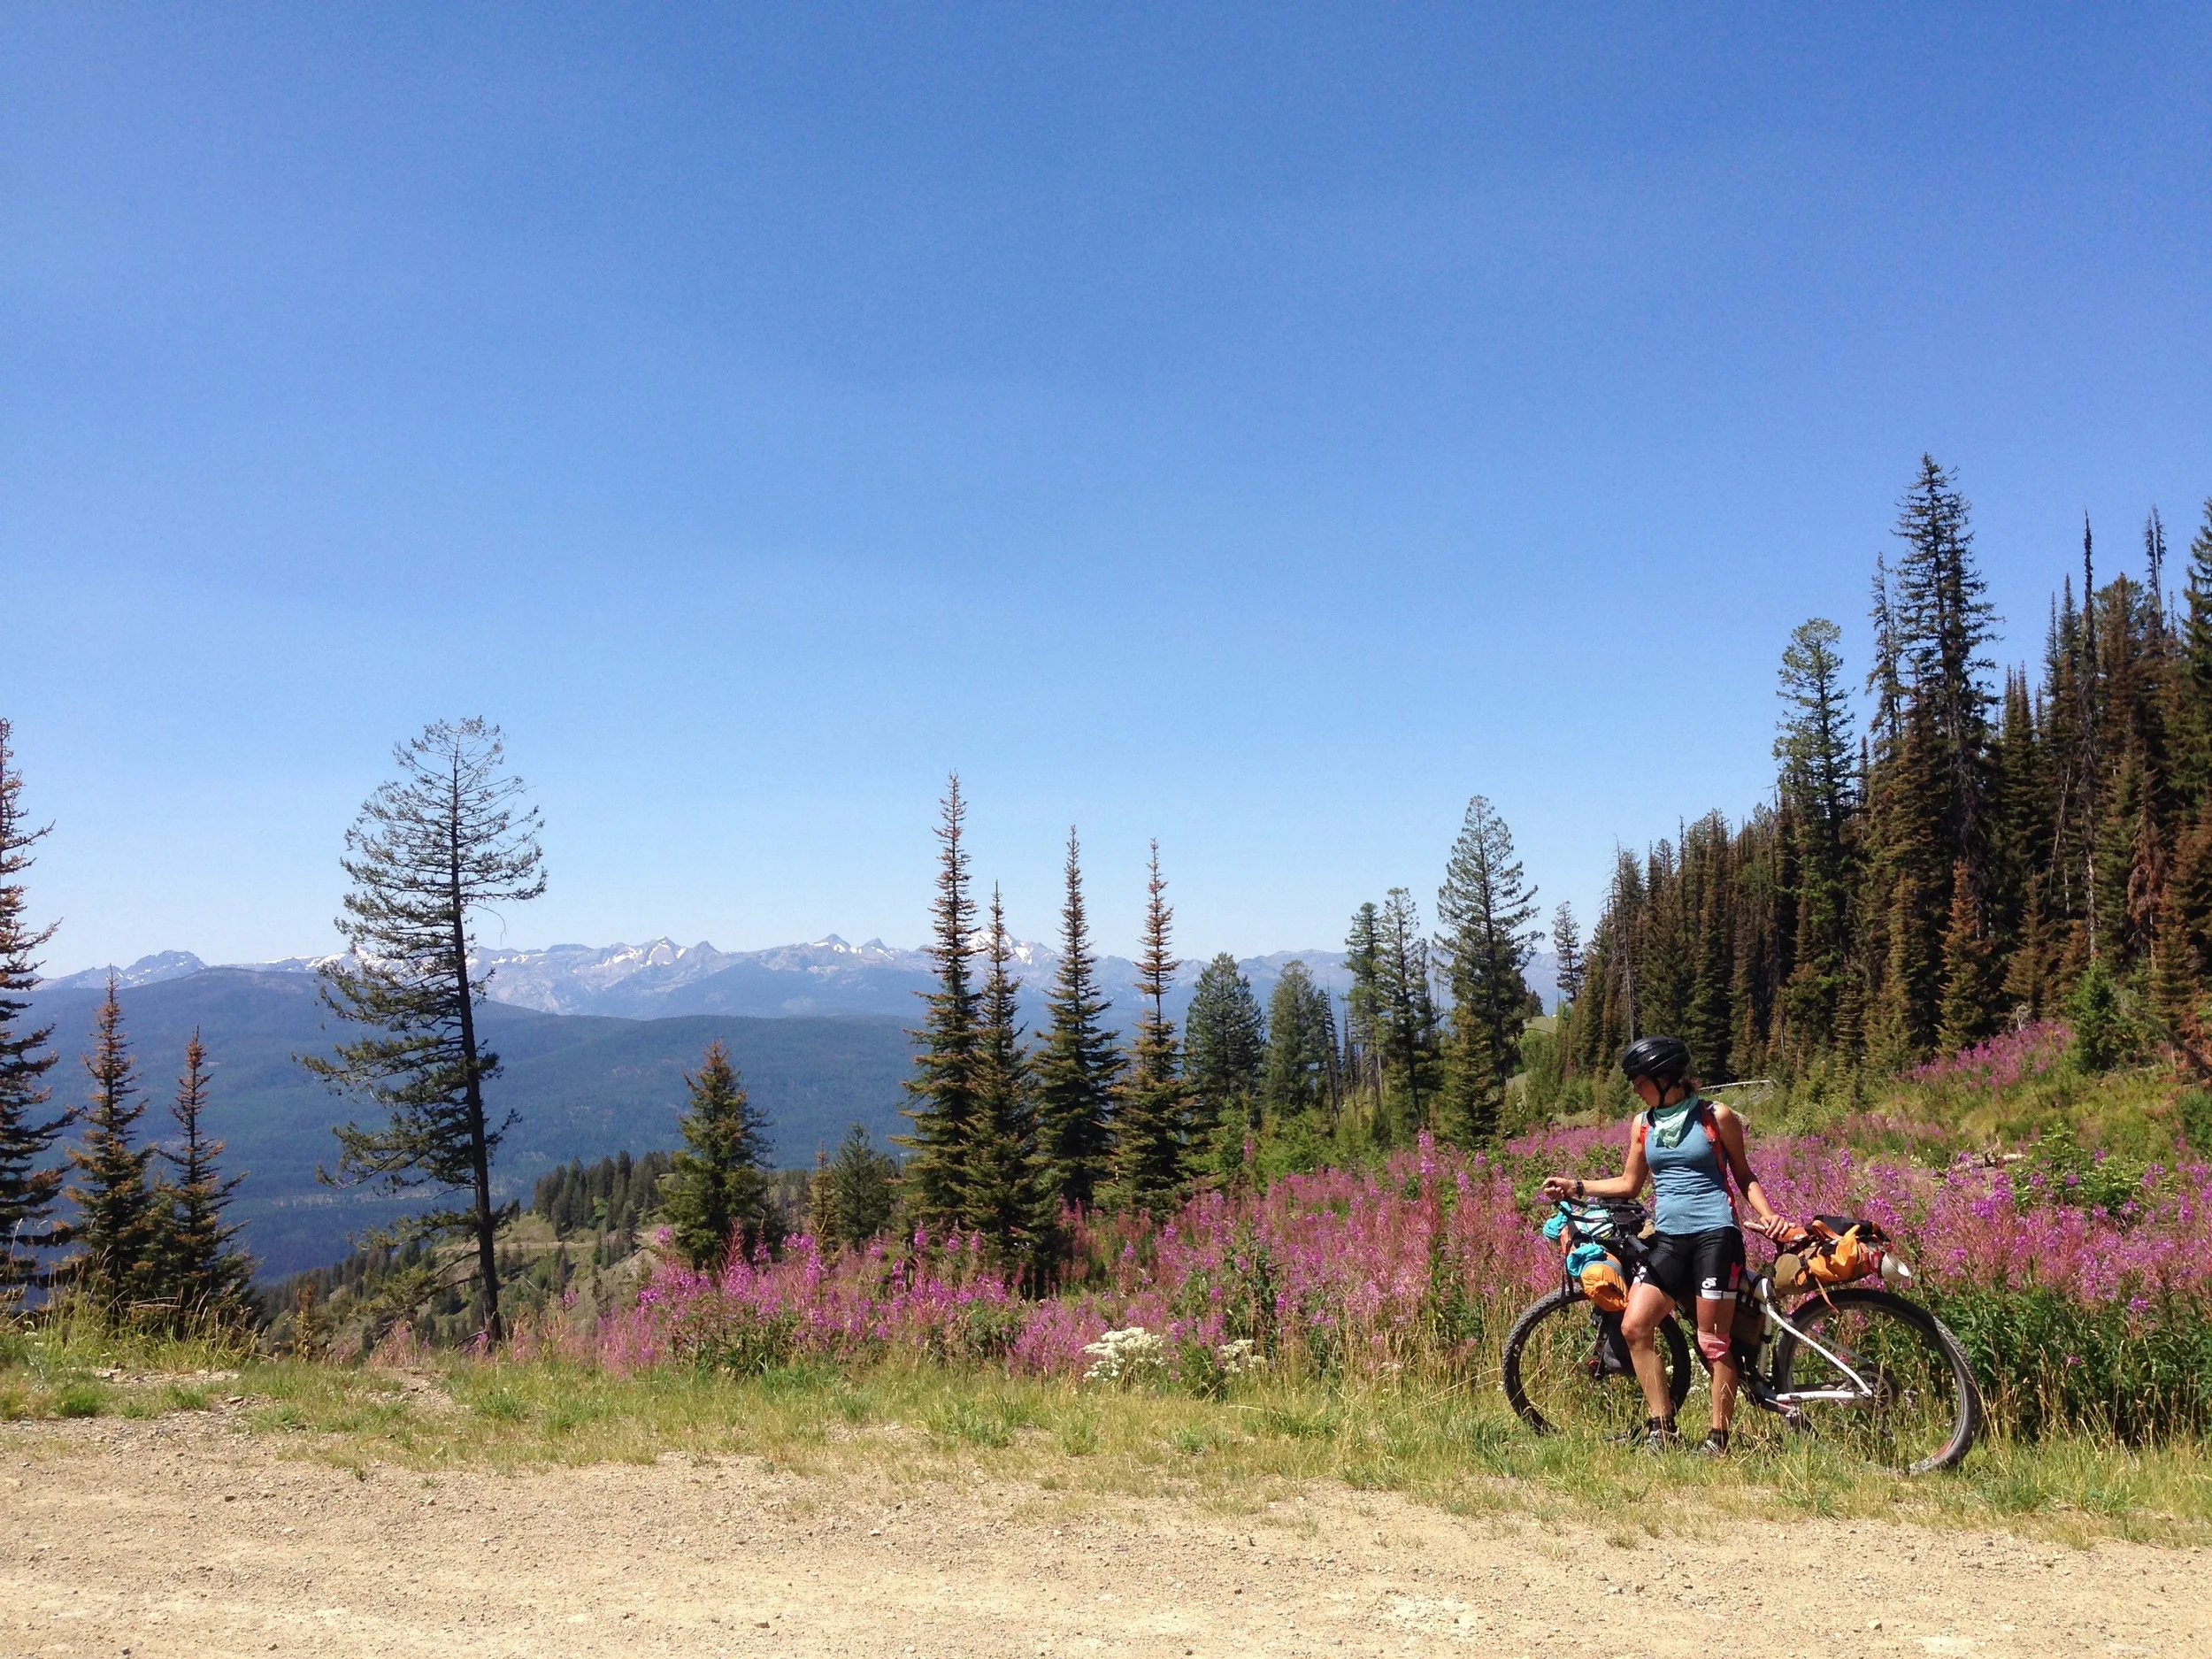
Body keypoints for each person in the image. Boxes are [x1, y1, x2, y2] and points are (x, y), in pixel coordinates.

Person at [1540, 1035, 1791, 1454]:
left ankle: (1719, 1439)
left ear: (1666, 1078)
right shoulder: (1643, 1124)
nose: (1635, 1088)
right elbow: (1630, 1183)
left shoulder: (1716, 1116)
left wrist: (1769, 1217)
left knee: (1714, 1342)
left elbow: (1744, 1176)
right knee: (1635, 1327)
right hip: (1670, 1239)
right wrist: (1576, 1186)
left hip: (1716, 1235)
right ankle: (1663, 1428)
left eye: (1639, 1080)